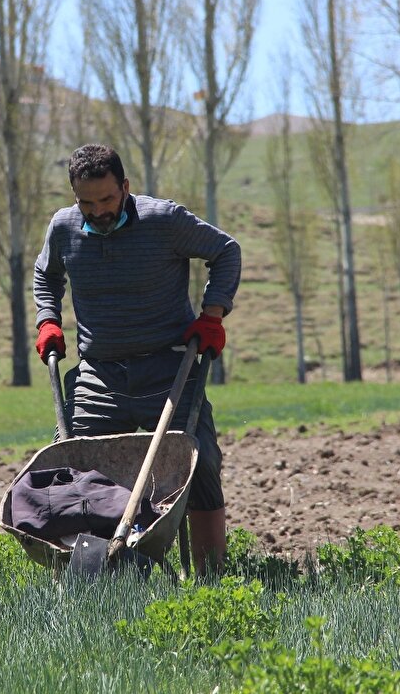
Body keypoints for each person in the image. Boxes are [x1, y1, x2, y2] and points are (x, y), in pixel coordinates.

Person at [32, 143, 241, 573]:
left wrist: (212, 314)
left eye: (107, 199)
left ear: (125, 187)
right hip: (99, 374)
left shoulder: (164, 220)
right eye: (87, 203)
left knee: (198, 458)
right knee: (70, 462)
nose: (98, 211)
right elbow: (45, 274)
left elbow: (226, 251)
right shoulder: (64, 227)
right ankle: (87, 574)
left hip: (169, 368)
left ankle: (211, 577)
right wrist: (48, 320)